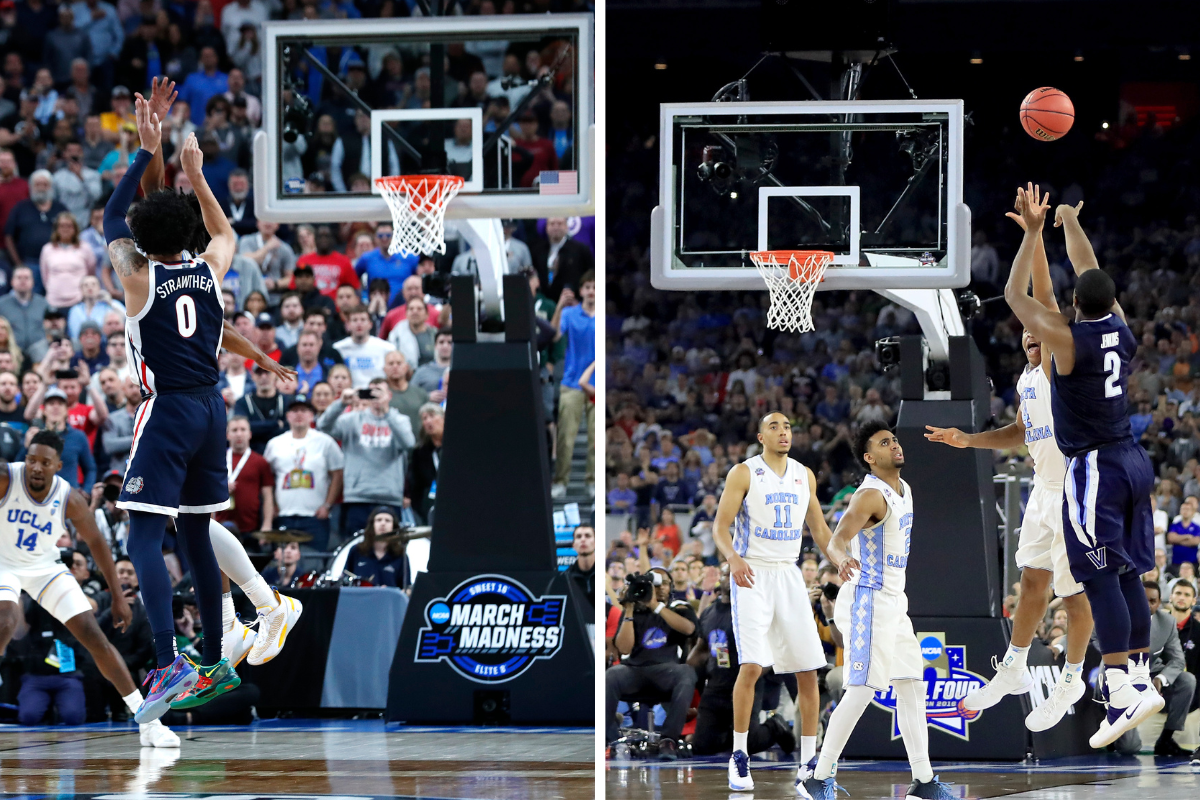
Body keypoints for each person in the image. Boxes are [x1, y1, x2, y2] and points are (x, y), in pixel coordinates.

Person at [102, 91, 280, 722]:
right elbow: (226, 229)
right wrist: (197, 177)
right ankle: (213, 661)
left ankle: (171, 660)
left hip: (170, 409)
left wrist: (146, 152)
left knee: (143, 535)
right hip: (212, 408)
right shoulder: (209, 269)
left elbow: (111, 219)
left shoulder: (138, 278)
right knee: (198, 534)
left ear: (143, 241)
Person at [925, 192, 1094, 732]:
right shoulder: (1026, 380)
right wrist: (968, 441)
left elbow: (1042, 293)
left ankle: (1072, 676)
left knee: (1074, 591)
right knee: (1032, 581)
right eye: (1022, 329)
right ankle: (1016, 666)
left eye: (1035, 326)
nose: (1027, 331)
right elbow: (1021, 431)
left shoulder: (1060, 367)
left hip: (1073, 488)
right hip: (1044, 489)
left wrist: (1036, 234)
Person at [1003, 188, 1159, 749]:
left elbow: (1014, 293)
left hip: (1095, 467)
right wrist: (1068, 221)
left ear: (1074, 304)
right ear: (1111, 301)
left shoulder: (1066, 342)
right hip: (1135, 462)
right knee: (1129, 570)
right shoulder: (1121, 327)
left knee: (1099, 576)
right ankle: (1138, 673)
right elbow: (1089, 267)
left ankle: (1120, 687)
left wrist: (1031, 233)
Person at [0, 429, 178, 746]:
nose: (36, 467)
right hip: (4, 565)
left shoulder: (70, 498)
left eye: (44, 462)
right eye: (31, 460)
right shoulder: (6, 478)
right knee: (4, 618)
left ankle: (148, 721)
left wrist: (117, 598)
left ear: (58, 465)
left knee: (93, 635)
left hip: (45, 567)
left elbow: (97, 545)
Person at [800, 423, 948, 800]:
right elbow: (836, 540)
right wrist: (843, 560)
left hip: (895, 601)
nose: (894, 445)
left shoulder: (905, 489)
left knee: (913, 683)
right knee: (862, 688)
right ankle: (818, 777)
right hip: (868, 599)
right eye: (885, 443)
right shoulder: (869, 494)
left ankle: (924, 781)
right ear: (870, 457)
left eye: (894, 439)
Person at [712, 412, 831, 791]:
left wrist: (842, 559)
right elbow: (720, 526)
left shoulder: (804, 474)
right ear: (761, 435)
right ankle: (739, 754)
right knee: (751, 667)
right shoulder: (743, 472)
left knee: (809, 671)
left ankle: (809, 763)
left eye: (789, 427)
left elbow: (820, 529)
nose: (784, 432)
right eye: (775, 427)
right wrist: (732, 558)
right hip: (753, 573)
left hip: (789, 573)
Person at [687, 562, 795, 756]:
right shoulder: (709, 612)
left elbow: (773, 648)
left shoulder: (755, 610)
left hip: (746, 685)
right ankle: (729, 734)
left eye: (733, 573)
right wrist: (687, 668)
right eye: (725, 573)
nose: (729, 577)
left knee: (750, 744)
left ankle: (774, 726)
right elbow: (702, 648)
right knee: (702, 747)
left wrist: (755, 674)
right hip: (715, 688)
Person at [605, 566, 697, 761]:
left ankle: (668, 740)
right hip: (635, 670)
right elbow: (624, 648)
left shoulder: (680, 608)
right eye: (655, 583)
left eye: (664, 583)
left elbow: (689, 629)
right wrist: (629, 608)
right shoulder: (635, 611)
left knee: (686, 672)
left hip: (666, 671)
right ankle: (611, 738)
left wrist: (656, 606)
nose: (660, 587)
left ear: (671, 588)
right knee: (611, 675)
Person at [317, 378, 414, 538]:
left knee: (388, 548)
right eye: (372, 393)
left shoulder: (399, 420)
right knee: (356, 546)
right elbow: (323, 426)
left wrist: (386, 413)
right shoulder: (353, 419)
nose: (375, 397)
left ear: (389, 395)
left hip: (389, 497)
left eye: (380, 393)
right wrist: (340, 404)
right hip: (358, 496)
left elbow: (408, 443)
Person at [1113, 581, 1198, 757]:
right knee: (1129, 748)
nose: (1146, 605)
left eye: (1152, 601)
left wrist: (1160, 680)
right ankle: (1112, 728)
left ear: (1159, 603)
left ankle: (1166, 739)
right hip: (1120, 678)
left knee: (1187, 680)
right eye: (1142, 600)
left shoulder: (1167, 622)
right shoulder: (1117, 617)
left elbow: (1177, 660)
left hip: (1152, 676)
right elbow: (1093, 639)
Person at [262, 395, 344, 551]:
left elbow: (338, 473)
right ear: (287, 416)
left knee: (315, 564)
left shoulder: (325, 442)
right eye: (294, 411)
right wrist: (273, 506)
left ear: (311, 415)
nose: (299, 414)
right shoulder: (275, 444)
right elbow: (268, 478)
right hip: (284, 514)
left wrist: (328, 505)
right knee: (284, 561)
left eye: (304, 410)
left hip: (315, 516)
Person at [551, 271, 595, 499]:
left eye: (595, 287)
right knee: (566, 438)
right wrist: (559, 306)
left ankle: (593, 482)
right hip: (571, 382)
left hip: (597, 386)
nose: (591, 291)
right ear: (581, 291)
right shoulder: (569, 313)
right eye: (588, 287)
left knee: (595, 440)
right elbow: (555, 335)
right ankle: (560, 481)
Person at [334, 305, 394, 388]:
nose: (359, 324)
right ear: (348, 325)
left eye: (363, 320)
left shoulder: (387, 348)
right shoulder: (338, 348)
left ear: (370, 324)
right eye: (355, 320)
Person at [349, 507, 408, 588]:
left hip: (388, 599)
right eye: (379, 520)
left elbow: (406, 588)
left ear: (394, 526)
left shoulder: (401, 555)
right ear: (372, 524)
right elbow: (345, 579)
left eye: (387, 520)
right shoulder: (356, 550)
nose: (383, 523)